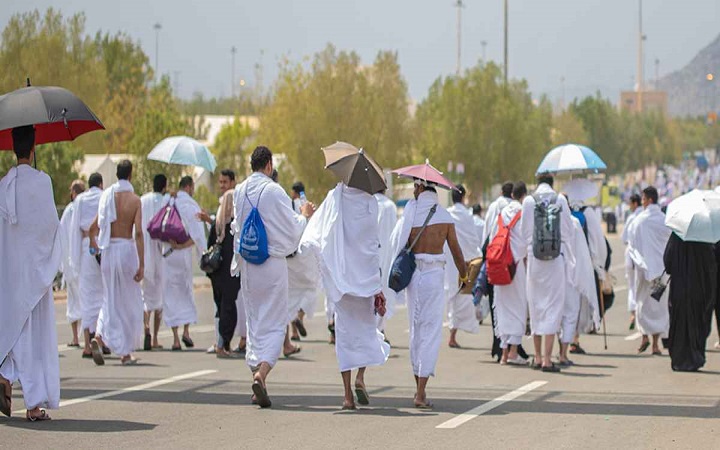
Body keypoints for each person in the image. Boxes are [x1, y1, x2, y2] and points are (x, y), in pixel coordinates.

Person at [231, 146, 314, 408]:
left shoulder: (240, 190)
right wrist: (304, 216)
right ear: (268, 165)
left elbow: (237, 227)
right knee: (276, 321)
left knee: (255, 321)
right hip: (272, 265)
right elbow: (291, 229)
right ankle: (262, 372)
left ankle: (259, 387)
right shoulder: (274, 191)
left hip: (248, 265)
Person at [301, 181, 390, 410]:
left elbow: (320, 230)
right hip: (366, 279)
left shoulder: (335, 197)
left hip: (342, 281)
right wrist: (377, 286)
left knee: (344, 336)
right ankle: (361, 376)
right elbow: (372, 246)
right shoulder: (371, 202)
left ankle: (347, 395)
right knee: (366, 332)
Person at [0, 125, 62, 421]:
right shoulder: (43, 181)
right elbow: (50, 226)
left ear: (13, 148)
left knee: (13, 329)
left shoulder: (4, 184)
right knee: (36, 336)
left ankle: (5, 374)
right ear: (33, 148)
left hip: (12, 272)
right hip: (36, 273)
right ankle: (34, 404)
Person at [389, 179, 467, 409]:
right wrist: (464, 276)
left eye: (415, 186)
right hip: (434, 276)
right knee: (431, 331)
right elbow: (456, 252)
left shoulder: (410, 214)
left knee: (416, 329)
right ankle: (421, 392)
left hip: (413, 276)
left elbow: (398, 242)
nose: (413, 190)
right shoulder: (445, 217)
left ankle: (418, 386)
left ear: (422, 188)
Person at [88, 160, 144, 366]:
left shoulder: (107, 197)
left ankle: (100, 336)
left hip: (109, 251)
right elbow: (138, 233)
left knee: (110, 298)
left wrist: (94, 246)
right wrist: (142, 264)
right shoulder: (135, 200)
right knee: (127, 300)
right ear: (130, 175)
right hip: (126, 249)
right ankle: (124, 351)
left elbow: (92, 228)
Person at [521, 175, 575, 372]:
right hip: (555, 260)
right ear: (552, 184)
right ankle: (547, 359)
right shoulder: (560, 200)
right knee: (553, 306)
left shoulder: (528, 201)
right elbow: (568, 232)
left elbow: (523, 232)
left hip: (534, 259)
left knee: (536, 306)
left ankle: (536, 357)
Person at [202, 169, 244, 358]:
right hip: (227, 273)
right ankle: (223, 345)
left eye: (225, 182)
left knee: (222, 306)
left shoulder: (219, 224)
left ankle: (221, 343)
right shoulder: (233, 227)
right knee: (227, 306)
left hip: (217, 272)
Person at [487, 182, 528, 366]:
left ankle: (503, 353)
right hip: (515, 266)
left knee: (502, 308)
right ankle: (513, 351)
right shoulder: (524, 213)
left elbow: (493, 237)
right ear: (523, 195)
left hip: (499, 265)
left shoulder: (502, 213)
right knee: (518, 308)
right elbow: (527, 240)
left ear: (512, 194)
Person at [663, 233, 717, 371]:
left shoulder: (677, 235)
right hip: (701, 289)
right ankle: (696, 356)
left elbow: (667, 262)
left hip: (679, 289)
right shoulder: (707, 238)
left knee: (679, 321)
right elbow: (713, 264)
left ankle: (679, 359)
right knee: (699, 322)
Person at [165, 176, 207, 351]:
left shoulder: (169, 201)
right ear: (189, 187)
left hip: (167, 253)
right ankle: (186, 332)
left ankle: (175, 338)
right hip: (182, 254)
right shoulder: (191, 205)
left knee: (171, 294)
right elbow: (197, 236)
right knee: (185, 291)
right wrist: (185, 245)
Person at [627, 186, 670, 355]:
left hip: (643, 271)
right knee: (659, 305)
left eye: (643, 199)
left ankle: (644, 335)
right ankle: (655, 344)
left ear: (649, 200)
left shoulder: (639, 221)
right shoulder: (665, 220)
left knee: (642, 302)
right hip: (662, 272)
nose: (642, 202)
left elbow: (632, 245)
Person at [70, 172, 107, 359]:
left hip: (86, 248)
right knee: (104, 295)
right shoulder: (105, 196)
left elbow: (74, 229)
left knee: (86, 296)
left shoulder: (80, 200)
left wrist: (73, 261)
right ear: (100, 184)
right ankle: (102, 339)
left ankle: (86, 343)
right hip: (102, 248)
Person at [444, 184, 481, 348]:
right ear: (463, 197)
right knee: (461, 298)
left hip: (449, 261)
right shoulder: (467, 215)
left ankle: (452, 333)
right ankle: (452, 334)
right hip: (465, 262)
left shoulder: (447, 214)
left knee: (452, 297)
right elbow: (473, 240)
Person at [482, 181, 516, 361]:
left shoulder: (494, 207)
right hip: (509, 263)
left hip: (493, 259)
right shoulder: (514, 208)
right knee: (511, 305)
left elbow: (486, 234)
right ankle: (510, 347)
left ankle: (498, 345)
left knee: (496, 304)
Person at [288, 181, 319, 342]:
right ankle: (300, 315)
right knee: (311, 289)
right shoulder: (308, 205)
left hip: (290, 255)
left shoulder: (288, 205)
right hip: (305, 255)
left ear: (294, 192)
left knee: (291, 293)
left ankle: (293, 331)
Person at [140, 174, 168, 351]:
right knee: (159, 298)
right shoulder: (166, 202)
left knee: (145, 298)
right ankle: (156, 338)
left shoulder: (142, 201)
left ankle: (146, 329)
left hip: (145, 254)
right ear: (164, 186)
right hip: (161, 254)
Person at [59, 179, 86, 347]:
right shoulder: (86, 208)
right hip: (85, 262)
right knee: (87, 299)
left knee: (73, 301)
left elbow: (61, 235)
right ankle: (89, 338)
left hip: (71, 262)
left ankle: (76, 338)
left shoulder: (70, 210)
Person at [375, 190, 398, 339]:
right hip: (387, 255)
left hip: (372, 253)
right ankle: (380, 329)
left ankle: (377, 329)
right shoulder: (390, 206)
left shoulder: (369, 202)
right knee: (384, 293)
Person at [622, 194, 643, 330]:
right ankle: (640, 315)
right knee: (642, 287)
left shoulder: (632, 218)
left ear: (635, 204)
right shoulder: (645, 217)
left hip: (631, 255)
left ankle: (633, 313)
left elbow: (624, 238)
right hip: (643, 257)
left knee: (631, 286)